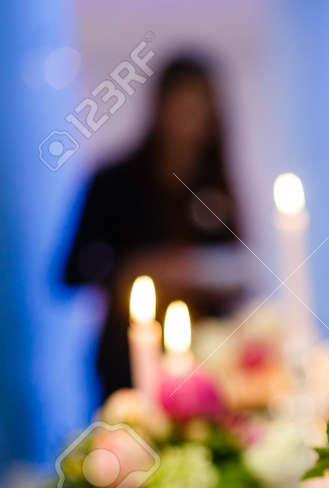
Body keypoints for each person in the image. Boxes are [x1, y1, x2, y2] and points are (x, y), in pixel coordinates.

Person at [63, 54, 246, 400]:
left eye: (201, 107)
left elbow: (238, 264)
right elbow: (71, 270)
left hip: (205, 363)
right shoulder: (113, 182)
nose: (191, 120)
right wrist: (133, 270)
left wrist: (206, 275)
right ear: (161, 108)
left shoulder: (215, 183)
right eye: (183, 106)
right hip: (126, 360)